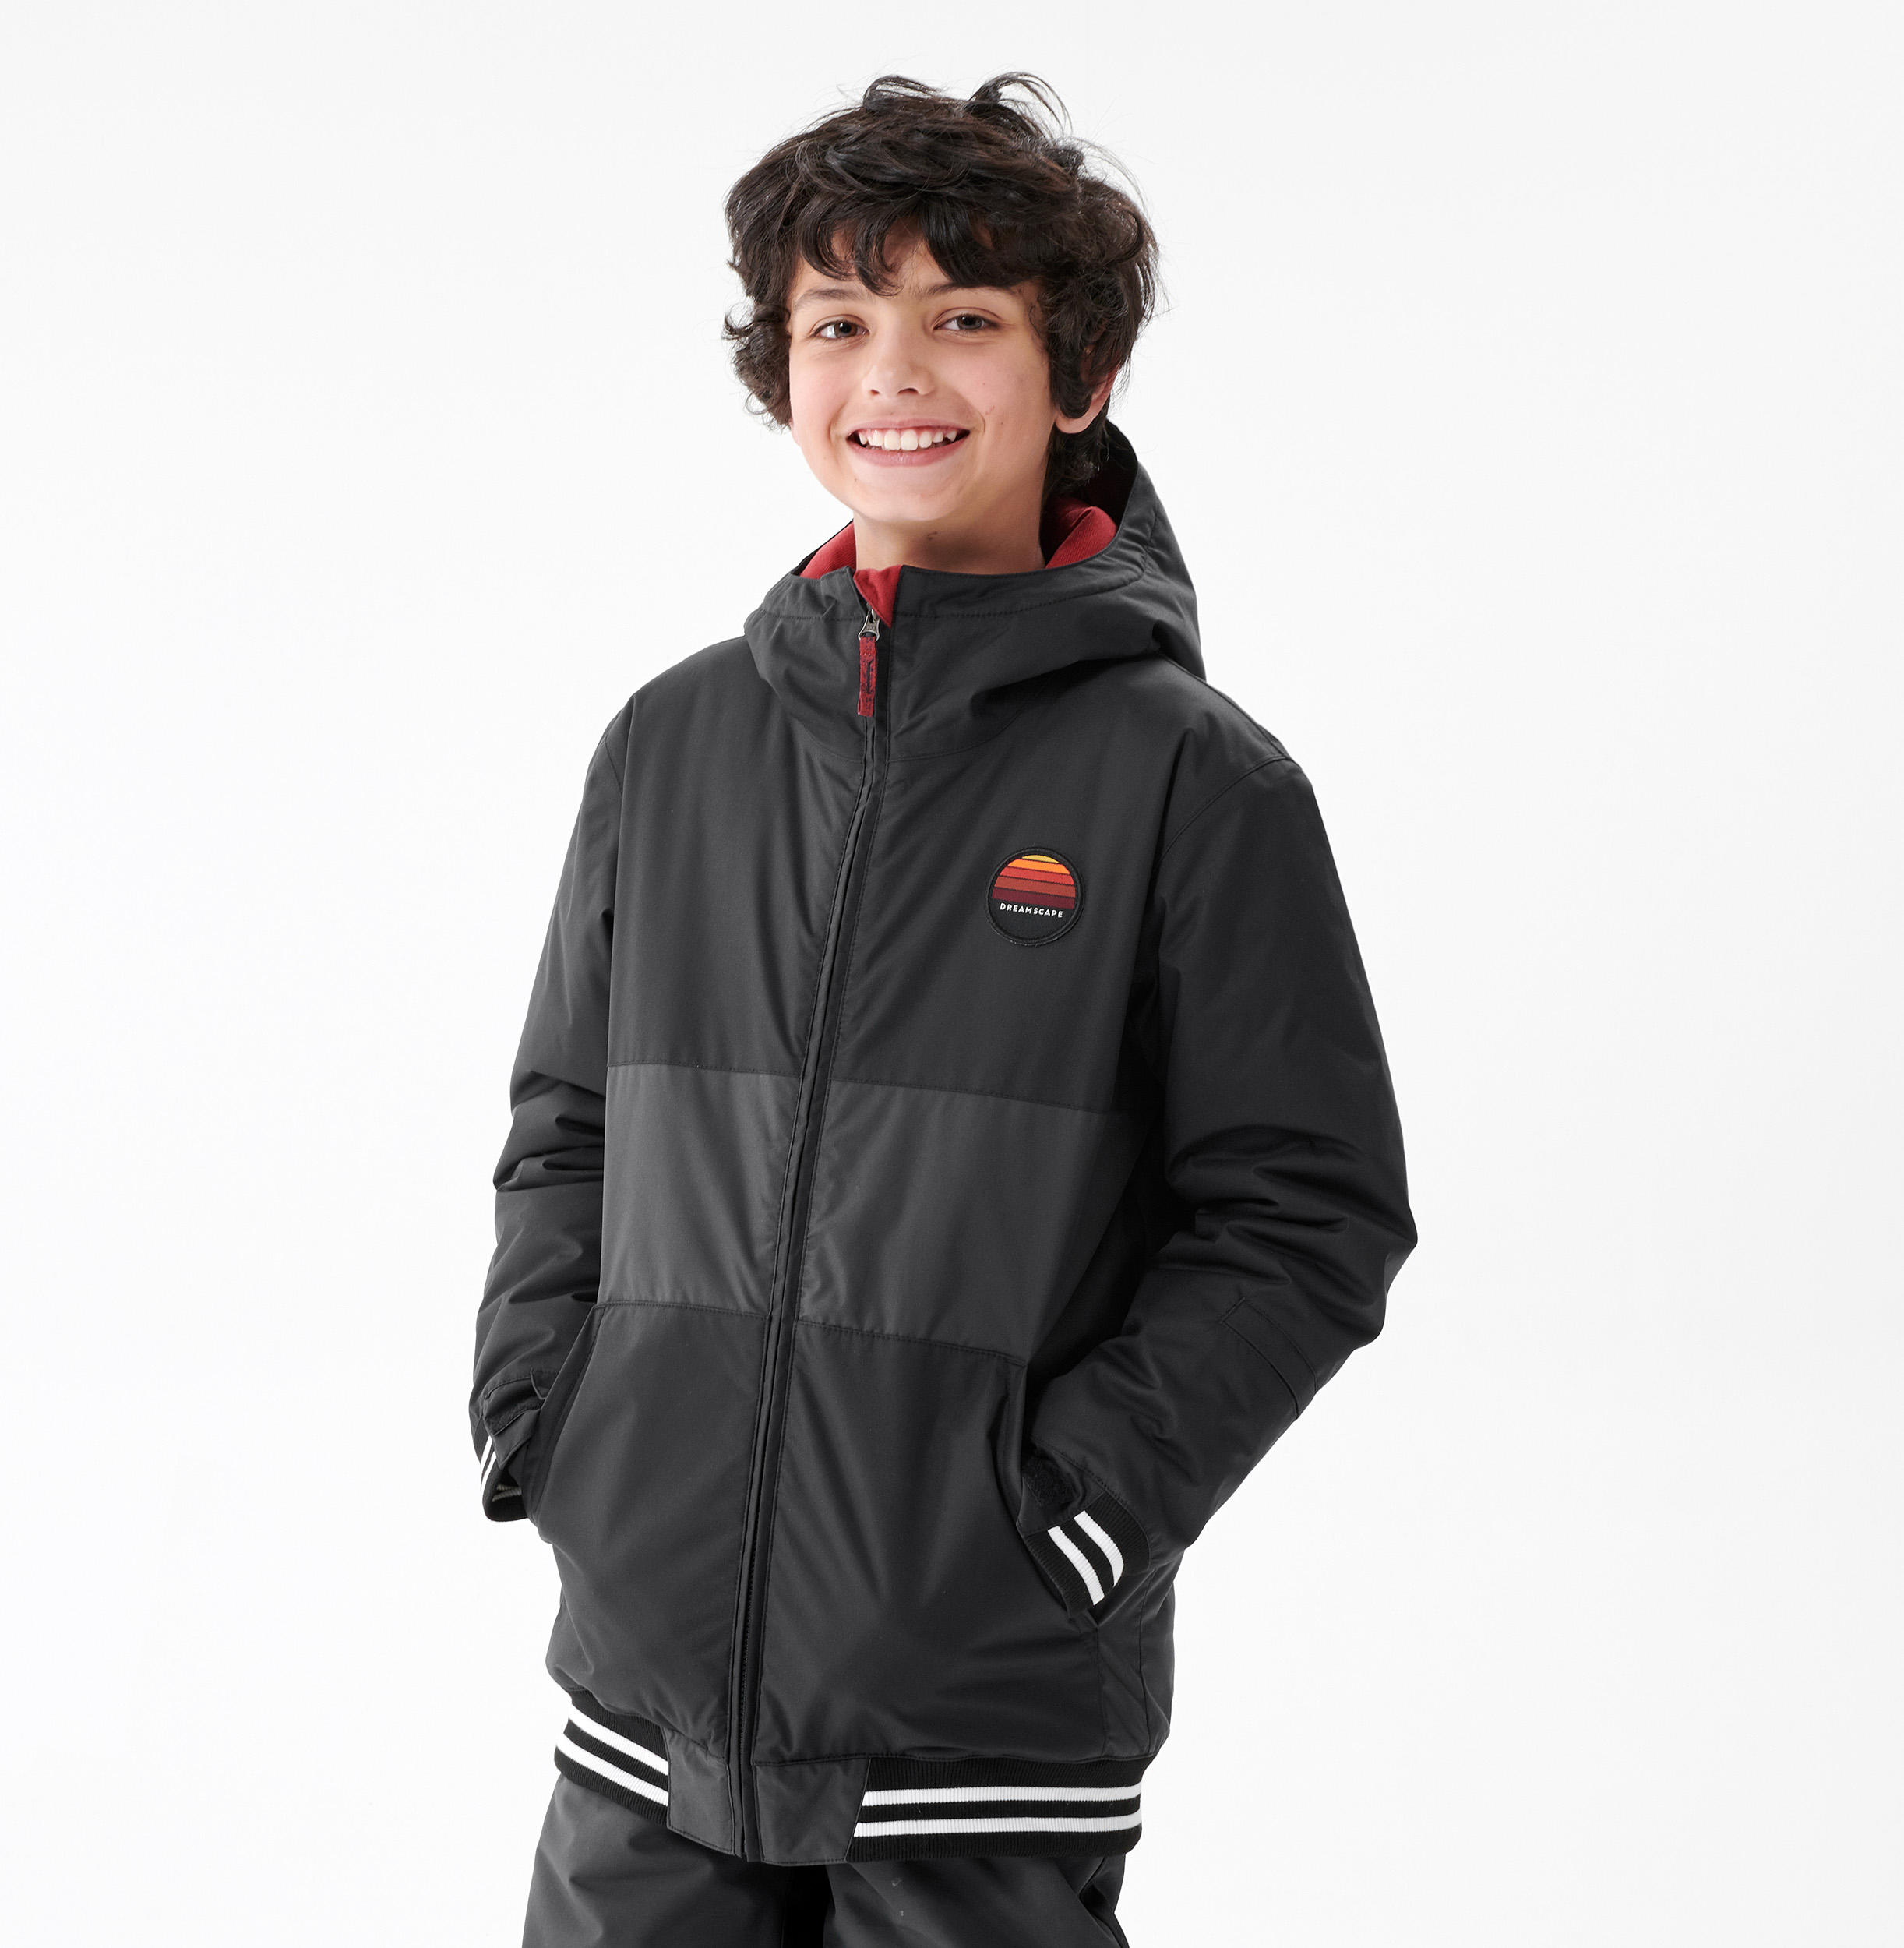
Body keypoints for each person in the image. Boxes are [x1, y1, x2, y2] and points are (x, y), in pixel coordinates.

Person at [470, 71, 1416, 1948]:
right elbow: (568, 1124)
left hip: (974, 1725)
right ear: (782, 371)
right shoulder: (673, 744)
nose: (893, 373)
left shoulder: (1191, 780)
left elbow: (1306, 1213)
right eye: (838, 322)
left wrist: (1069, 1515)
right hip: (644, 1701)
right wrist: (545, 1413)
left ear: (1079, 377)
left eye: (963, 318)